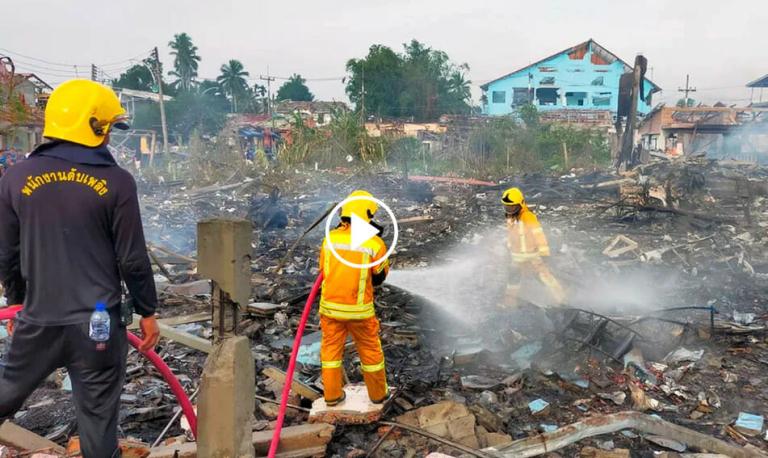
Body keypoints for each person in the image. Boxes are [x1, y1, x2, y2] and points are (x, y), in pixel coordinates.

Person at [0, 79, 160, 458]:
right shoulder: (117, 182)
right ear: (95, 127)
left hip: (38, 321)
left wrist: (17, 301)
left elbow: (7, 254)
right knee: (98, 428)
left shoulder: (16, 178)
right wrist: (148, 311)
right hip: (98, 328)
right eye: (107, 128)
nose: (109, 138)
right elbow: (133, 258)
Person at [318, 190, 390, 406]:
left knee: (330, 352)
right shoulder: (374, 244)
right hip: (359, 312)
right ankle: (378, 395)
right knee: (370, 351)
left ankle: (332, 396)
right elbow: (379, 278)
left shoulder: (329, 239)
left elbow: (323, 269)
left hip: (330, 310)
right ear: (367, 214)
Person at [501, 187, 566, 307]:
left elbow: (538, 234)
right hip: (517, 255)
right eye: (507, 207)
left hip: (533, 254)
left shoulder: (528, 216)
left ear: (520, 204)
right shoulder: (510, 218)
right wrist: (509, 246)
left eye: (512, 207)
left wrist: (544, 252)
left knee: (544, 276)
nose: (509, 210)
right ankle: (510, 301)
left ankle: (560, 298)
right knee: (513, 277)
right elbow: (511, 234)